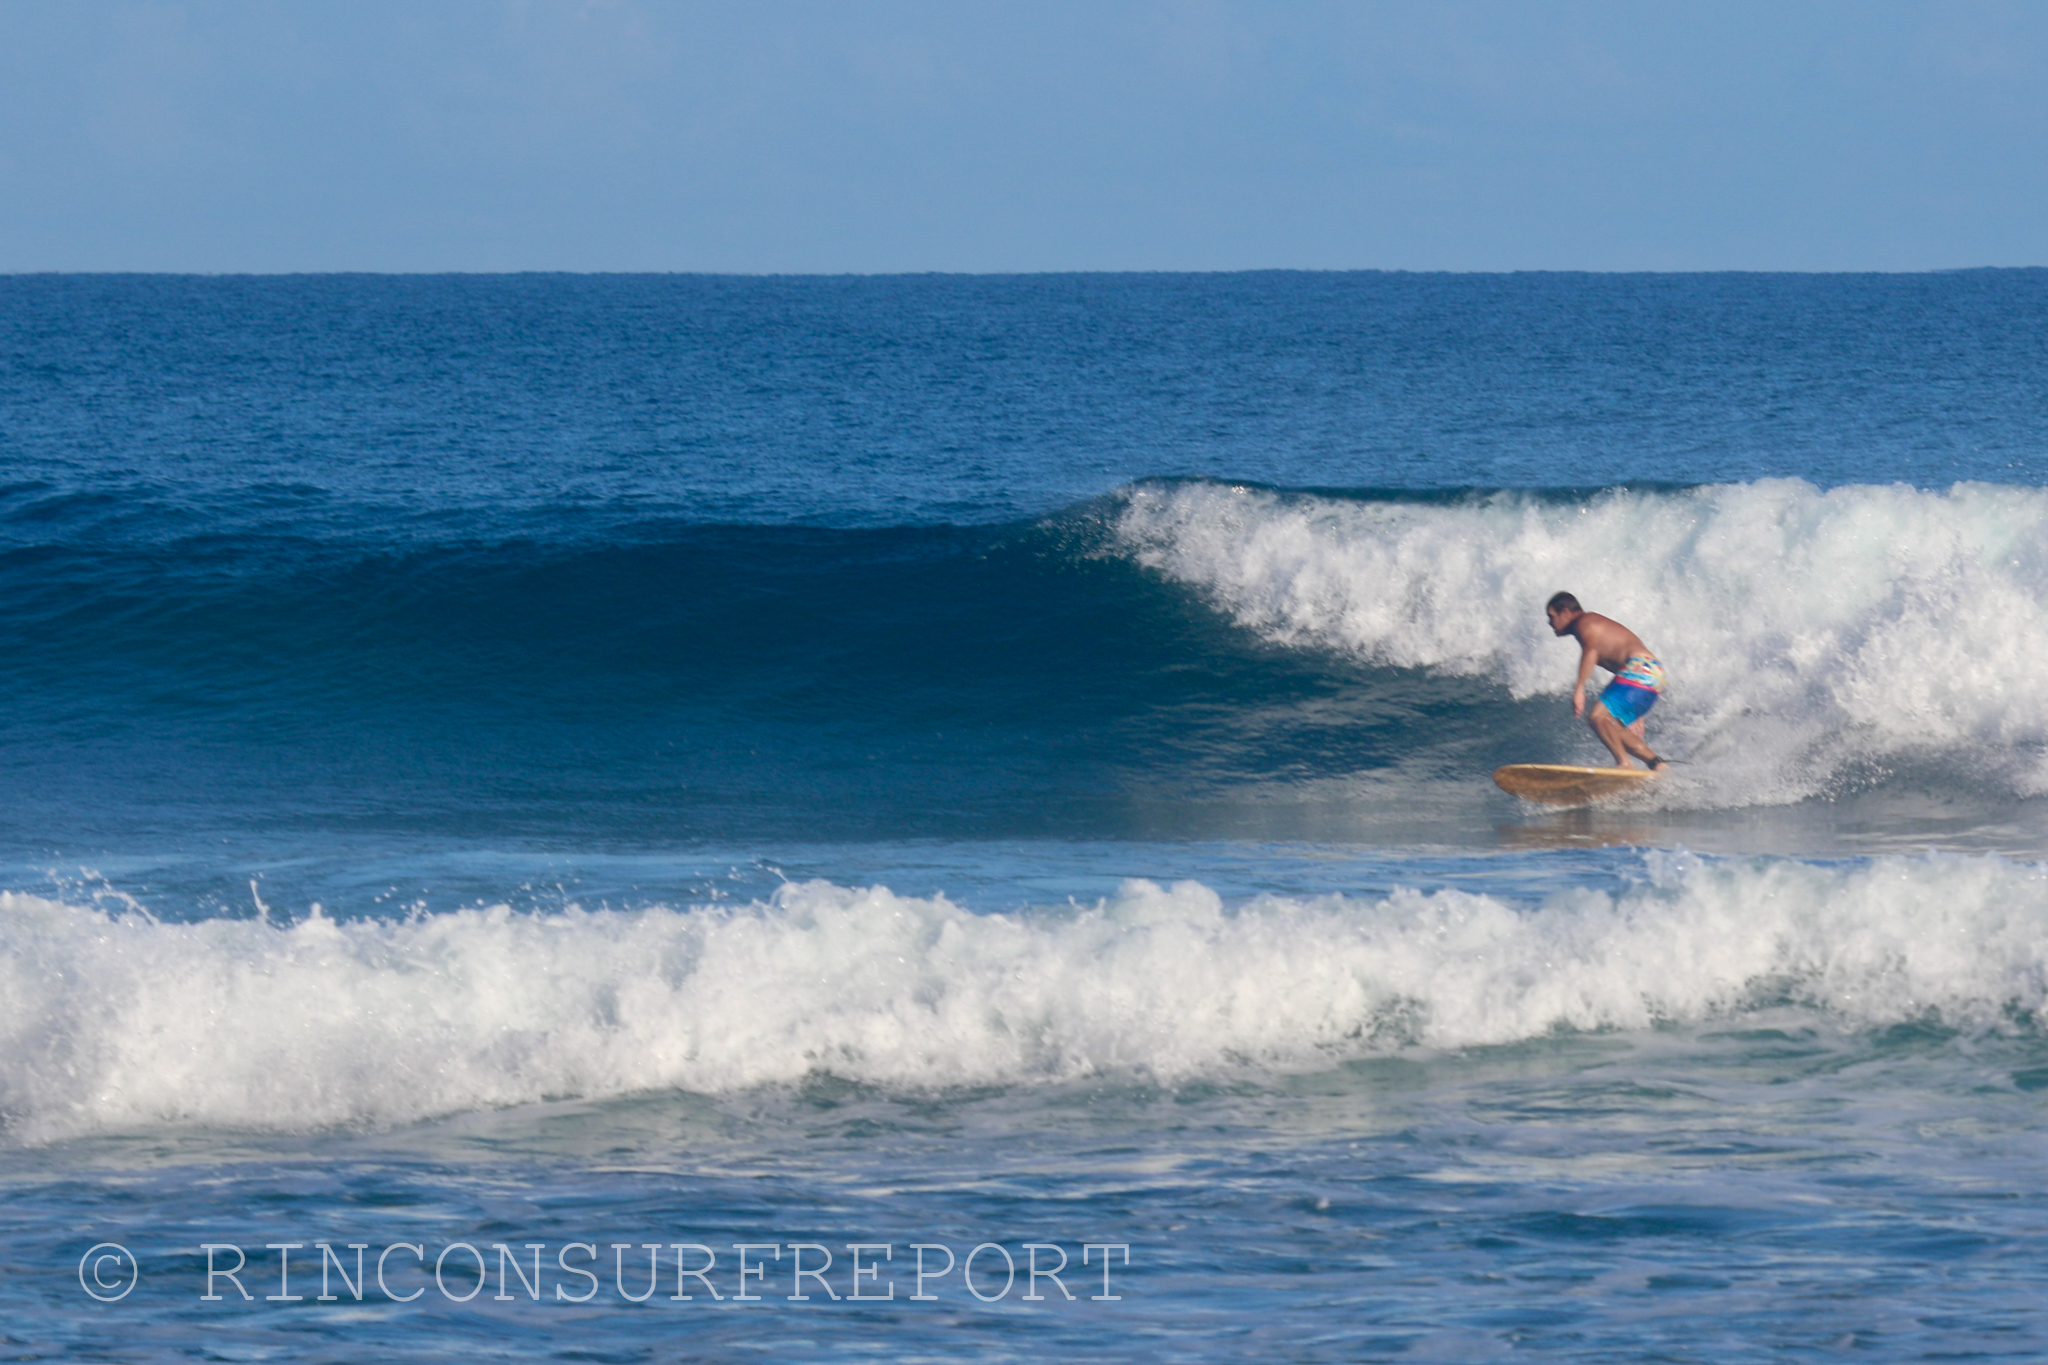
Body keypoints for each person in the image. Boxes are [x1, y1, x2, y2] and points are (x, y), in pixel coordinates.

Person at [1545, 591, 1667, 770]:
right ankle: (1657, 764)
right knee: (1610, 725)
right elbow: (1620, 668)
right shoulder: (1594, 625)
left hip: (1640, 668)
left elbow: (1591, 651)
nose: (1550, 623)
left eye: (1551, 617)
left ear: (1565, 613)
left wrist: (1579, 688)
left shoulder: (1584, 622)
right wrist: (1634, 709)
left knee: (1597, 717)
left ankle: (1625, 763)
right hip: (1654, 674)